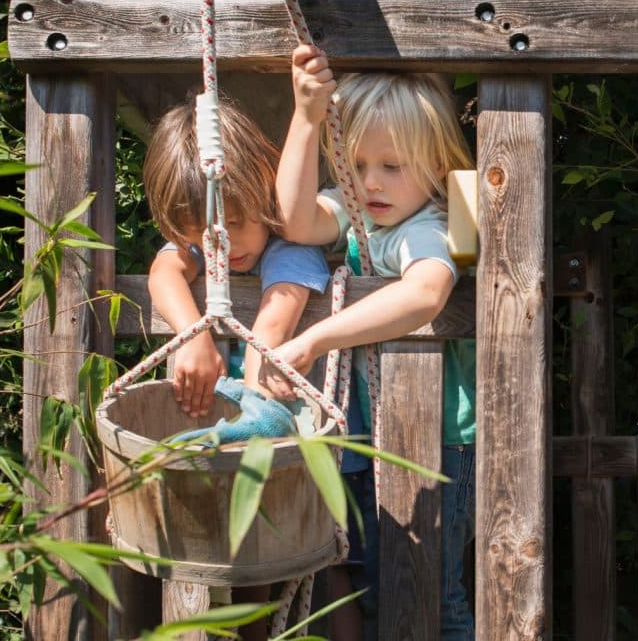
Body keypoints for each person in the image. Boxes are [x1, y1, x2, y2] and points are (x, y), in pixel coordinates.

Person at [273, 45, 477, 641]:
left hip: (437, 440)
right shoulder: (364, 211)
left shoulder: (428, 227)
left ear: (438, 165)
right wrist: (305, 118)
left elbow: (425, 295)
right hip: (378, 433)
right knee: (377, 583)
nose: (370, 181)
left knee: (432, 591)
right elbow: (295, 221)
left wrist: (314, 339)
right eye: (356, 163)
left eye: (393, 166)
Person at [142, 95, 331, 641]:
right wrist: (193, 333)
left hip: (285, 457)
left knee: (268, 578)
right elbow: (163, 270)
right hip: (224, 462)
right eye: (199, 234)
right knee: (210, 576)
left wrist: (250, 362)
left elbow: (276, 318)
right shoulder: (209, 244)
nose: (221, 244)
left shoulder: (291, 250)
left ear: (263, 187)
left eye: (237, 224)